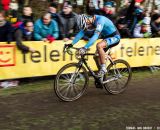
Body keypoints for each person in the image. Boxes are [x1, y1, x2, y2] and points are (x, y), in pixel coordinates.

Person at [66, 14, 121, 78]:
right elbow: (81, 33)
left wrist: (85, 47)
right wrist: (71, 44)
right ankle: (101, 76)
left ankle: (103, 68)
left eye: (87, 25)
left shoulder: (100, 20)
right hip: (106, 38)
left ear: (88, 20)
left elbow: (95, 36)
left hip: (115, 37)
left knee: (99, 45)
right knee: (96, 56)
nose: (87, 27)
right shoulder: (90, 21)